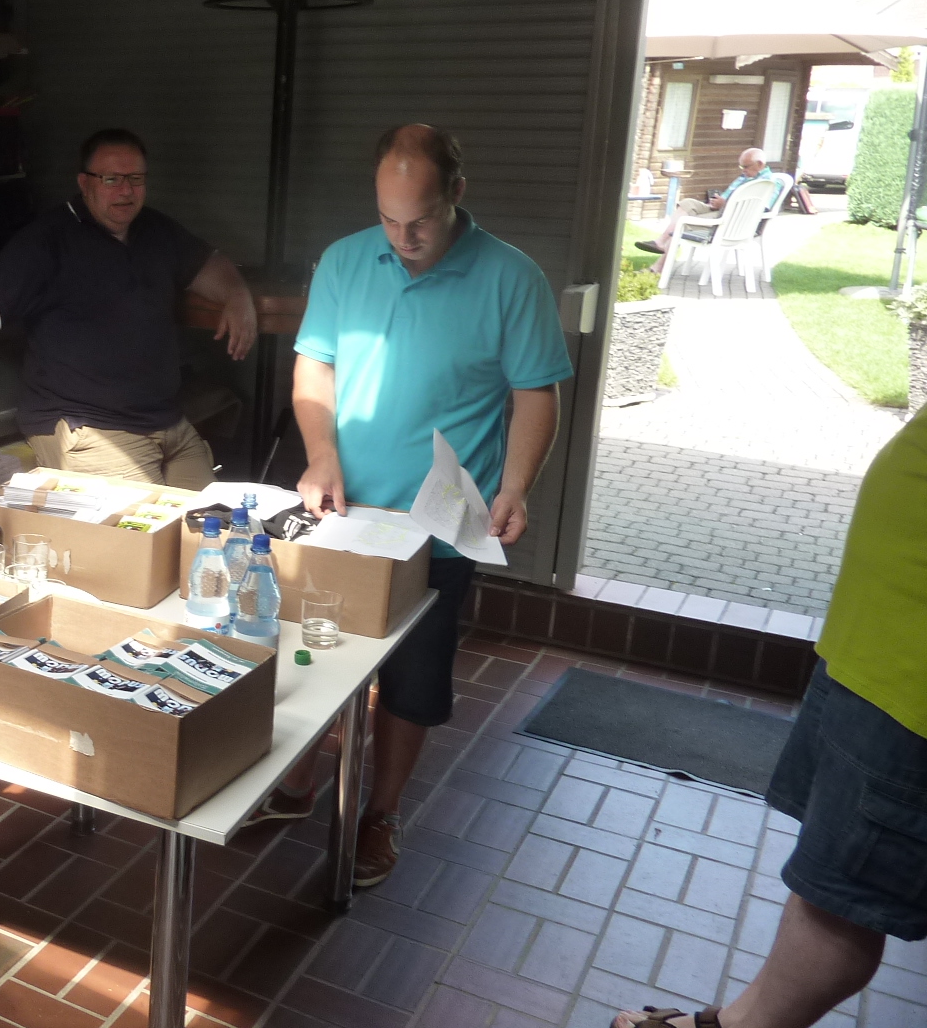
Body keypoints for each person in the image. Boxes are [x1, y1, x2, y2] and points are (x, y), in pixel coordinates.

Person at [276, 124, 573, 886]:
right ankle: (298, 776)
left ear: (456, 195)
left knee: (413, 679)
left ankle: (380, 812)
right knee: (313, 649)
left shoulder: (512, 277)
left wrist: (515, 485)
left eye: (421, 220)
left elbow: (535, 393)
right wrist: (320, 451)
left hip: (437, 527)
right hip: (343, 511)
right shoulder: (345, 260)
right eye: (389, 219)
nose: (404, 238)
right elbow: (315, 365)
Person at [611, 409, 927, 1027]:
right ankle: (733, 1020)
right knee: (822, 885)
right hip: (876, 646)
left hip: (910, 684)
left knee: (840, 902)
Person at [0, 128, 258, 490]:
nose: (125, 190)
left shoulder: (156, 229)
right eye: (111, 179)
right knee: (140, 536)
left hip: (167, 422)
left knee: (210, 528)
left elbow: (209, 264)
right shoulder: (49, 239)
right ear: (85, 183)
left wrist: (237, 295)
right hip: (91, 427)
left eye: (135, 179)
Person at [635, 147, 778, 263]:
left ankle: (657, 269)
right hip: (720, 209)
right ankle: (660, 242)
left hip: (731, 220)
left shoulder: (769, 183)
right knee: (687, 203)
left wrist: (725, 204)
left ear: (760, 164)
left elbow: (758, 209)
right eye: (741, 166)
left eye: (746, 166)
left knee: (682, 223)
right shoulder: (746, 176)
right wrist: (718, 202)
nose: (743, 170)